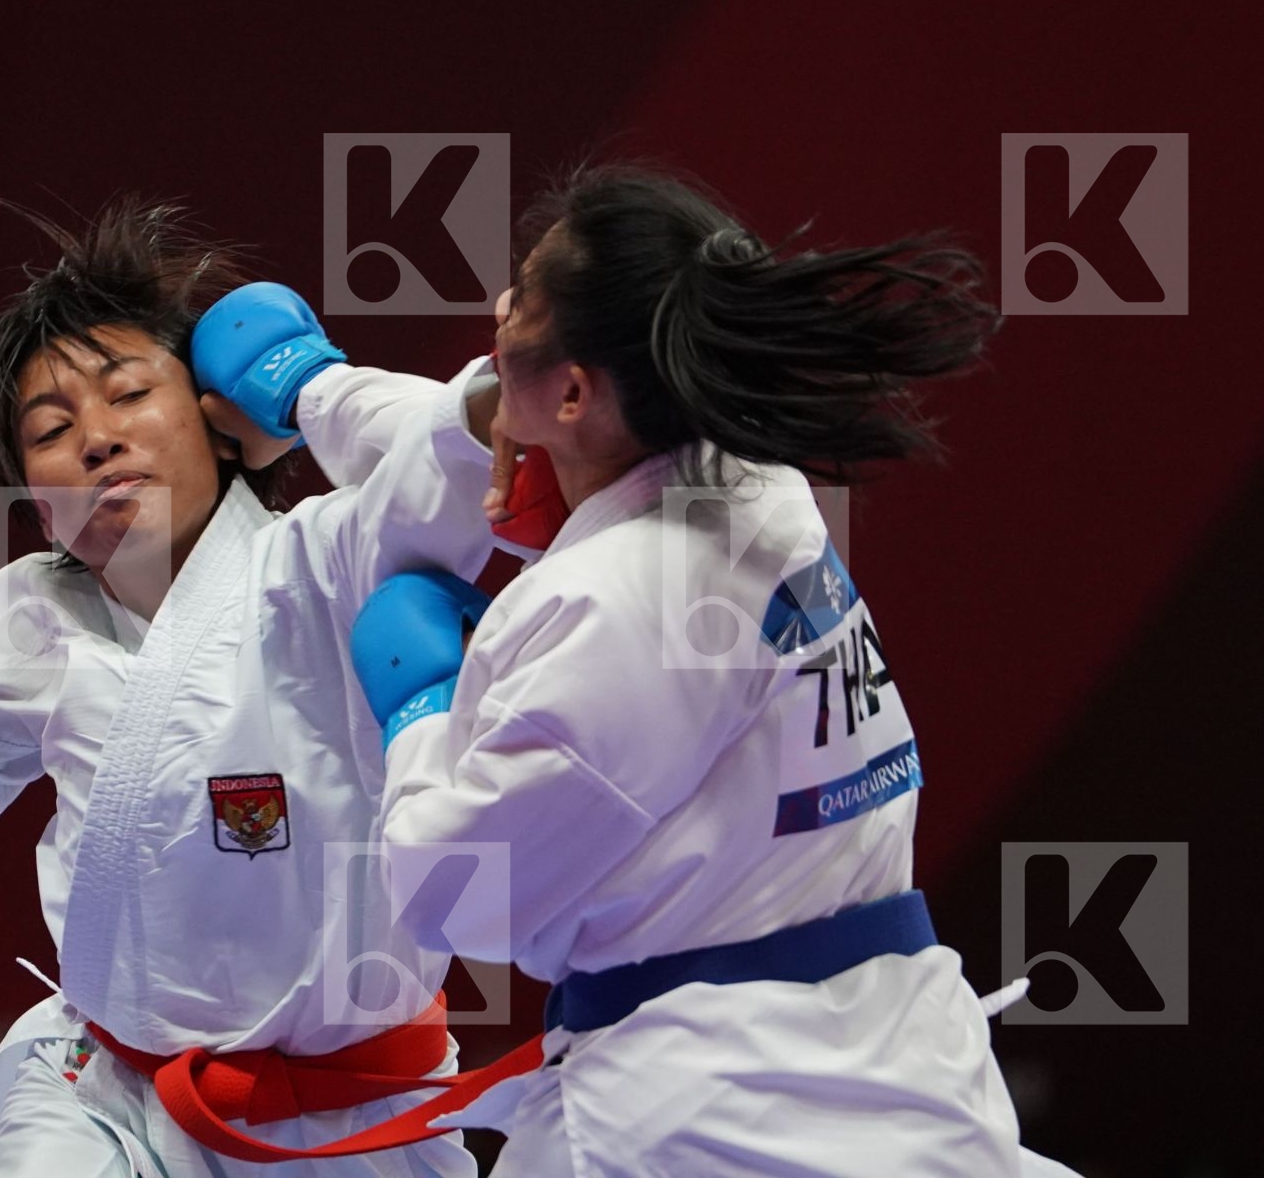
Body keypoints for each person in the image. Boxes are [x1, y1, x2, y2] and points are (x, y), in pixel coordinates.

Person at [277, 162, 1077, 1175]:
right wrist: (314, 388)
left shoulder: (610, 605)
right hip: (879, 1051)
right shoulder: (756, 481)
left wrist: (423, 710)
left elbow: (461, 891)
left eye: (520, 296)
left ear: (573, 390)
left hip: (719, 1114)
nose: (498, 308)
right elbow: (480, 414)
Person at [0, 194, 511, 1177]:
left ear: (218, 424)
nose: (96, 439)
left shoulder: (331, 562)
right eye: (51, 428)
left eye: (128, 396)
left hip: (359, 1114)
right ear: (36, 502)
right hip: (109, 1097)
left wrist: (312, 389)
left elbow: (472, 463)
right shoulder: (28, 618)